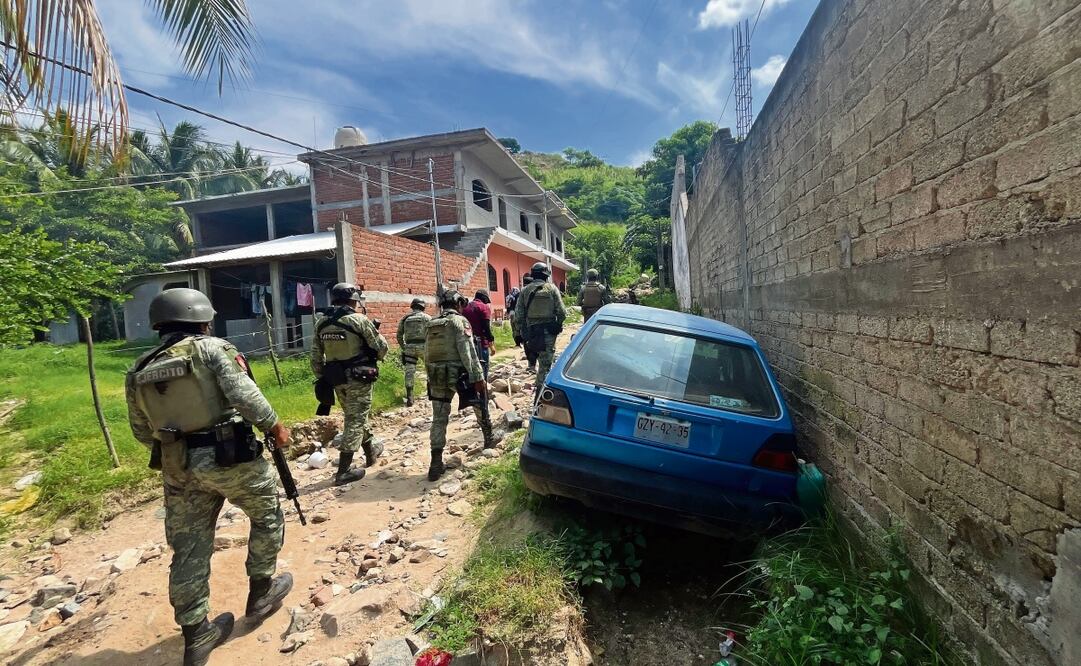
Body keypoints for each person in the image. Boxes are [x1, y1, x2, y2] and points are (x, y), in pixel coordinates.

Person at [124, 288, 293, 666]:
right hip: (229, 456)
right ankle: (262, 592)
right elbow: (243, 394)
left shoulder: (138, 368)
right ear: (201, 319)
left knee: (189, 547)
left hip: (178, 466)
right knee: (266, 515)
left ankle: (197, 633)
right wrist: (274, 425)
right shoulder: (211, 349)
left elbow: (140, 431)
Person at [311, 282, 389, 485]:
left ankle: (370, 451)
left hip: (335, 378)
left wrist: (322, 377)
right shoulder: (359, 320)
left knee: (355, 415)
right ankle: (343, 471)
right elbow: (381, 347)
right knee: (355, 420)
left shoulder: (322, 323)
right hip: (359, 378)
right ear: (353, 300)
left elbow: (315, 355)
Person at [424, 289, 495, 481]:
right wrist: (478, 377)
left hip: (436, 376)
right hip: (459, 375)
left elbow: (427, 352)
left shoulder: (431, 323)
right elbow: (468, 351)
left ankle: (436, 463)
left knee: (439, 419)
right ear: (458, 304)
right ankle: (489, 439)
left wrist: (430, 376)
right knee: (480, 403)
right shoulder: (460, 322)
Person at [514, 262, 566, 397]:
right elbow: (562, 312)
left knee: (536, 360)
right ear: (546, 275)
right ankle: (541, 394)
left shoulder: (525, 290)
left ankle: (539, 388)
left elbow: (518, 315)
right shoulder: (552, 289)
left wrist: (517, 333)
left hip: (531, 333)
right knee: (545, 365)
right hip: (548, 332)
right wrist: (558, 324)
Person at [396, 298, 430, 407]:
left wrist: (404, 347)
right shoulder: (427, 317)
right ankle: (431, 392)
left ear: (412, 306)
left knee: (409, 371)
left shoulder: (405, 318)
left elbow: (399, 335)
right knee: (429, 368)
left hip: (409, 347)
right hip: (424, 346)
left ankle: (410, 396)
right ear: (423, 307)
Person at [462, 289, 495, 379]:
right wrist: (491, 345)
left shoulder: (465, 307)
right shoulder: (484, 307)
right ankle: (483, 390)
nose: (486, 303)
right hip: (481, 343)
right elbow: (486, 328)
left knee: (471, 367)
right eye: (486, 300)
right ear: (483, 298)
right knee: (483, 367)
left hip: (467, 342)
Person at [512, 274, 537, 372]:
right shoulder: (540, 291)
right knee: (540, 344)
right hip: (539, 323)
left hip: (526, 324)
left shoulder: (521, 292)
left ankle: (531, 365)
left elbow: (518, 311)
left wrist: (518, 327)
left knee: (528, 344)